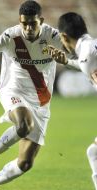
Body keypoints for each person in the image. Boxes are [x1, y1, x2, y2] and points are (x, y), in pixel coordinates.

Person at [0, 1, 64, 189]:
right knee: (23, 125)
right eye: (24, 23)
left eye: (33, 23)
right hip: (14, 91)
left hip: (41, 102)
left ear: (42, 21)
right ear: (19, 21)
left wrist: (68, 59)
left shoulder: (53, 36)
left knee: (25, 163)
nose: (28, 28)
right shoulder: (11, 36)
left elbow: (77, 54)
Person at [45, 12, 97, 190]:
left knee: (94, 153)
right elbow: (84, 64)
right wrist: (66, 60)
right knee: (94, 152)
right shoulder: (90, 47)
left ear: (64, 36)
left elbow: (85, 63)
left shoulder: (86, 56)